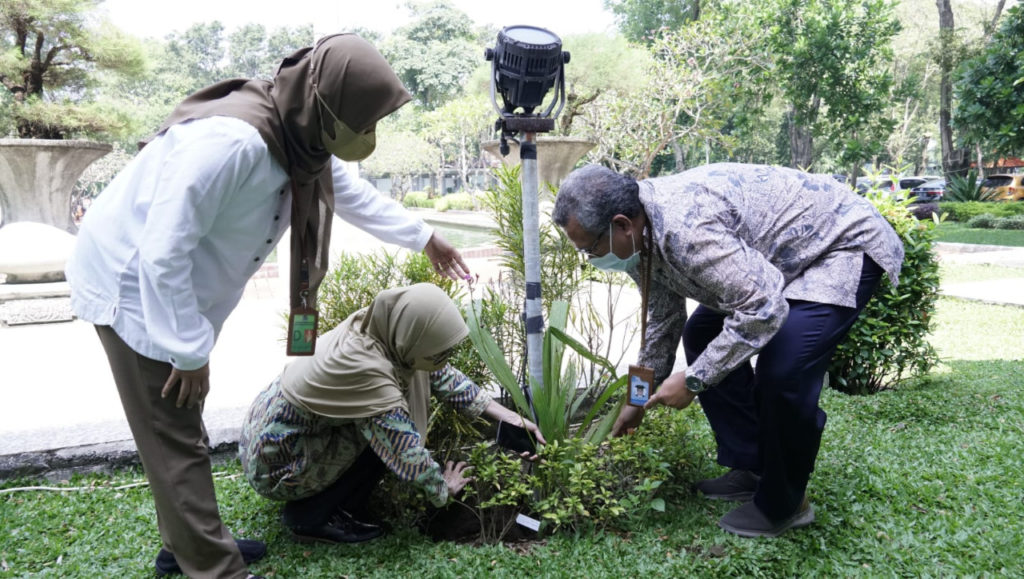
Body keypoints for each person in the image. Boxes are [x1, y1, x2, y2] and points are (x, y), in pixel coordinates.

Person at [65, 34, 469, 578]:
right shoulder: (236, 144)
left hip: (175, 289)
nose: (371, 135)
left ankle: (182, 547)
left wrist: (425, 237)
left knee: (181, 424)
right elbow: (160, 249)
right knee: (174, 435)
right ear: (328, 108)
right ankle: (214, 567)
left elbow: (353, 195)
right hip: (134, 289)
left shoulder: (301, 139)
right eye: (366, 123)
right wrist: (187, 350)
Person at [552, 163, 904, 538]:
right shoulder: (640, 240)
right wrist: (635, 401)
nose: (589, 258)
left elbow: (763, 307)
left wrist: (694, 379)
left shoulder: (686, 232)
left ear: (622, 224)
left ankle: (784, 503)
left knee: (782, 372)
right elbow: (662, 321)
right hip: (781, 258)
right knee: (702, 332)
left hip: (838, 245)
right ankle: (753, 466)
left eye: (590, 247)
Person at [238, 283, 545, 543]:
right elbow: (405, 451)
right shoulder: (367, 370)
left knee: (386, 424)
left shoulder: (387, 331)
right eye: (439, 352)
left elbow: (443, 376)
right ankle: (311, 514)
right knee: (383, 437)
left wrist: (509, 417)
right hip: (276, 461)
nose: (444, 359)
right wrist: (443, 489)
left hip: (273, 430)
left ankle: (336, 503)